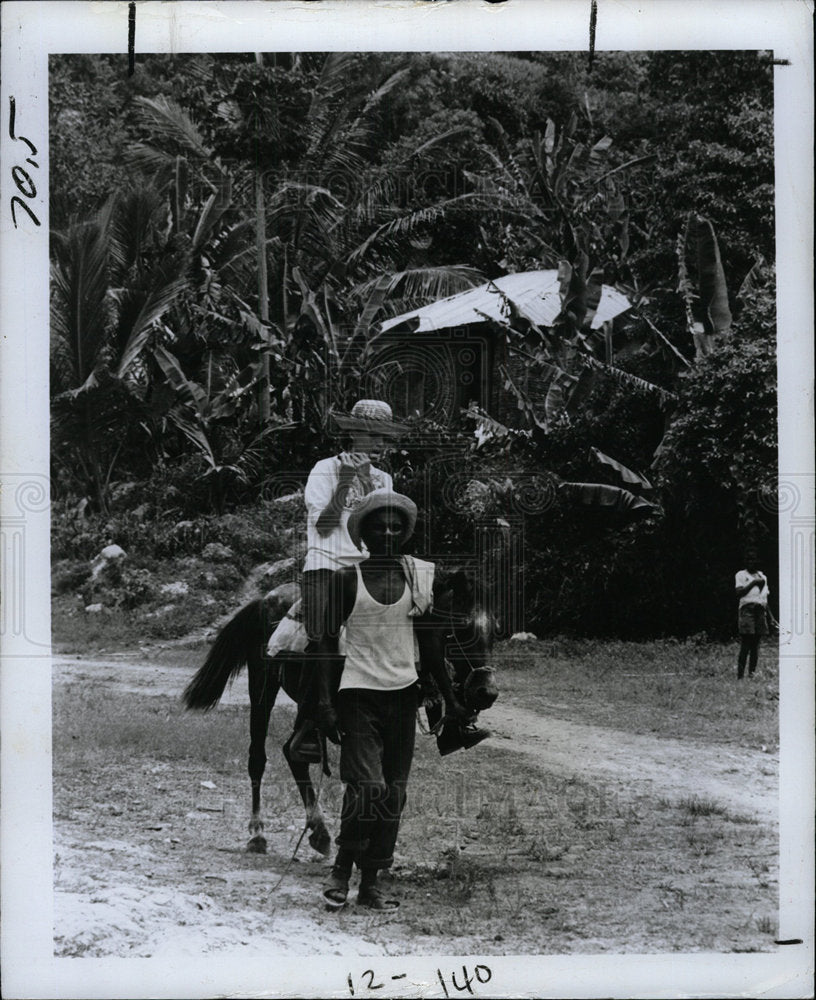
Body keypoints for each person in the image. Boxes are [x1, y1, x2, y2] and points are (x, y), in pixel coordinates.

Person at [315, 489, 469, 910]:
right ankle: (340, 870)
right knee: (367, 787)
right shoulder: (347, 580)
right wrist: (325, 705)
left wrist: (450, 698)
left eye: (395, 525)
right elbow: (327, 643)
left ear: (405, 532)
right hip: (358, 695)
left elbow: (432, 643)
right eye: (378, 525)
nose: (387, 532)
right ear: (363, 533)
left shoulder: (419, 579)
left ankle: (370, 885)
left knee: (393, 794)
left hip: (403, 696)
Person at [279, 400, 407, 762]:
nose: (381, 443)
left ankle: (442, 710)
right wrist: (348, 481)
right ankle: (313, 722)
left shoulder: (384, 478)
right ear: (354, 433)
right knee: (323, 633)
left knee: (417, 619)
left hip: (366, 566)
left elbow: (381, 528)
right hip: (326, 563)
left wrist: (367, 482)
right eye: (374, 435)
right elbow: (323, 526)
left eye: (385, 436)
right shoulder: (324, 469)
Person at [734, 548, 769, 679]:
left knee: (755, 645)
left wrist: (770, 617)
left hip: (760, 610)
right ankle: (740, 677)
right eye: (748, 559)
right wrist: (753, 583)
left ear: (757, 561)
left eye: (753, 559)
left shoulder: (763, 576)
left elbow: (765, 598)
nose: (751, 562)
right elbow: (739, 593)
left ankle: (751, 675)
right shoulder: (741, 575)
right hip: (747, 609)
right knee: (746, 643)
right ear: (745, 561)